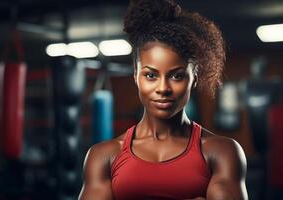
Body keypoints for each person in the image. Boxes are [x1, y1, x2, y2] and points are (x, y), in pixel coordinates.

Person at [78, 0, 248, 199]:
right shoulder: (103, 156)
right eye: (151, 75)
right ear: (136, 76)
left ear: (194, 78)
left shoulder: (221, 152)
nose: (163, 89)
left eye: (176, 76)